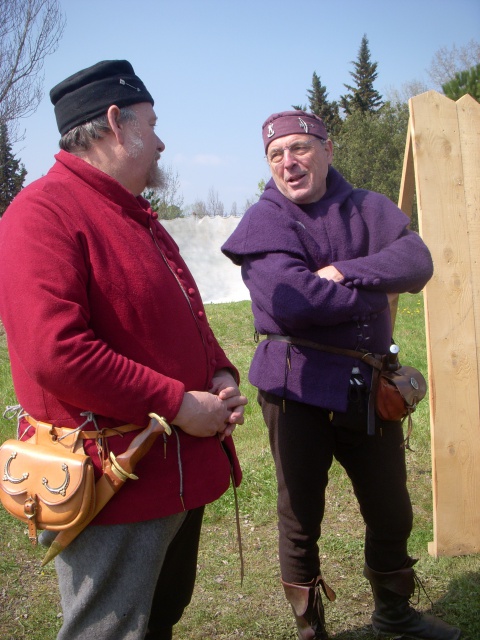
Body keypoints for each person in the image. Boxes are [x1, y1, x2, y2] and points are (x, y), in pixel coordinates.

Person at [0, 59, 247, 640]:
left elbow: (188, 310)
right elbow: (55, 353)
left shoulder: (135, 214)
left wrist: (218, 372)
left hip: (173, 472)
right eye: (153, 124)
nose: (161, 142)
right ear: (116, 121)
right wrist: (177, 403)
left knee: (159, 618)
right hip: (112, 486)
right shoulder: (40, 214)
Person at [222, 110, 461, 640]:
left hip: (367, 390)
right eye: (276, 154)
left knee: (392, 508)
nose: (289, 162)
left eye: (300, 148)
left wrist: (347, 271)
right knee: (300, 518)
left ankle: (393, 615)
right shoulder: (265, 221)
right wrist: (377, 291)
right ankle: (312, 631)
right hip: (295, 391)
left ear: (327, 149)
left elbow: (416, 261)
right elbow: (299, 301)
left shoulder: (368, 207)